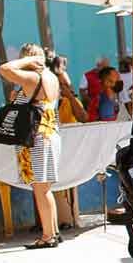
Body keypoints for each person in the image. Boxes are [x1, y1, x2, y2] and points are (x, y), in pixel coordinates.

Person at [0, 44, 61, 250]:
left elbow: (4, 69)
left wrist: (25, 62)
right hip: (51, 133)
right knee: (45, 188)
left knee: (40, 188)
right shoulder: (51, 76)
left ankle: (47, 236)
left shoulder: (33, 77)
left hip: (37, 137)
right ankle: (53, 232)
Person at [49, 53, 86, 231]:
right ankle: (58, 220)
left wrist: (70, 96)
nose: (64, 87)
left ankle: (70, 217)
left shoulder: (70, 101)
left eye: (66, 84)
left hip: (70, 149)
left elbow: (83, 117)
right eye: (61, 84)